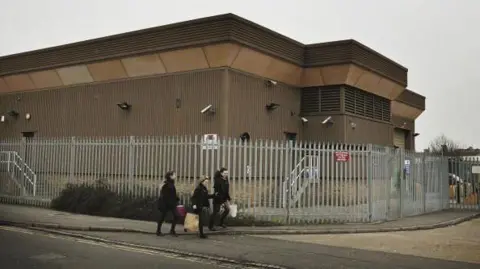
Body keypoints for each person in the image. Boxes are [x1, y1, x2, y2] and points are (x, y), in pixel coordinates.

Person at [156, 171, 180, 237]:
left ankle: (172, 230)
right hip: (165, 203)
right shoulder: (166, 184)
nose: (175, 176)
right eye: (174, 175)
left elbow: (172, 193)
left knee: (176, 216)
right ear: (170, 176)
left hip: (171, 203)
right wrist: (171, 201)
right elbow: (165, 195)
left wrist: (176, 198)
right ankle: (158, 231)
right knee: (162, 217)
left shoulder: (171, 183)